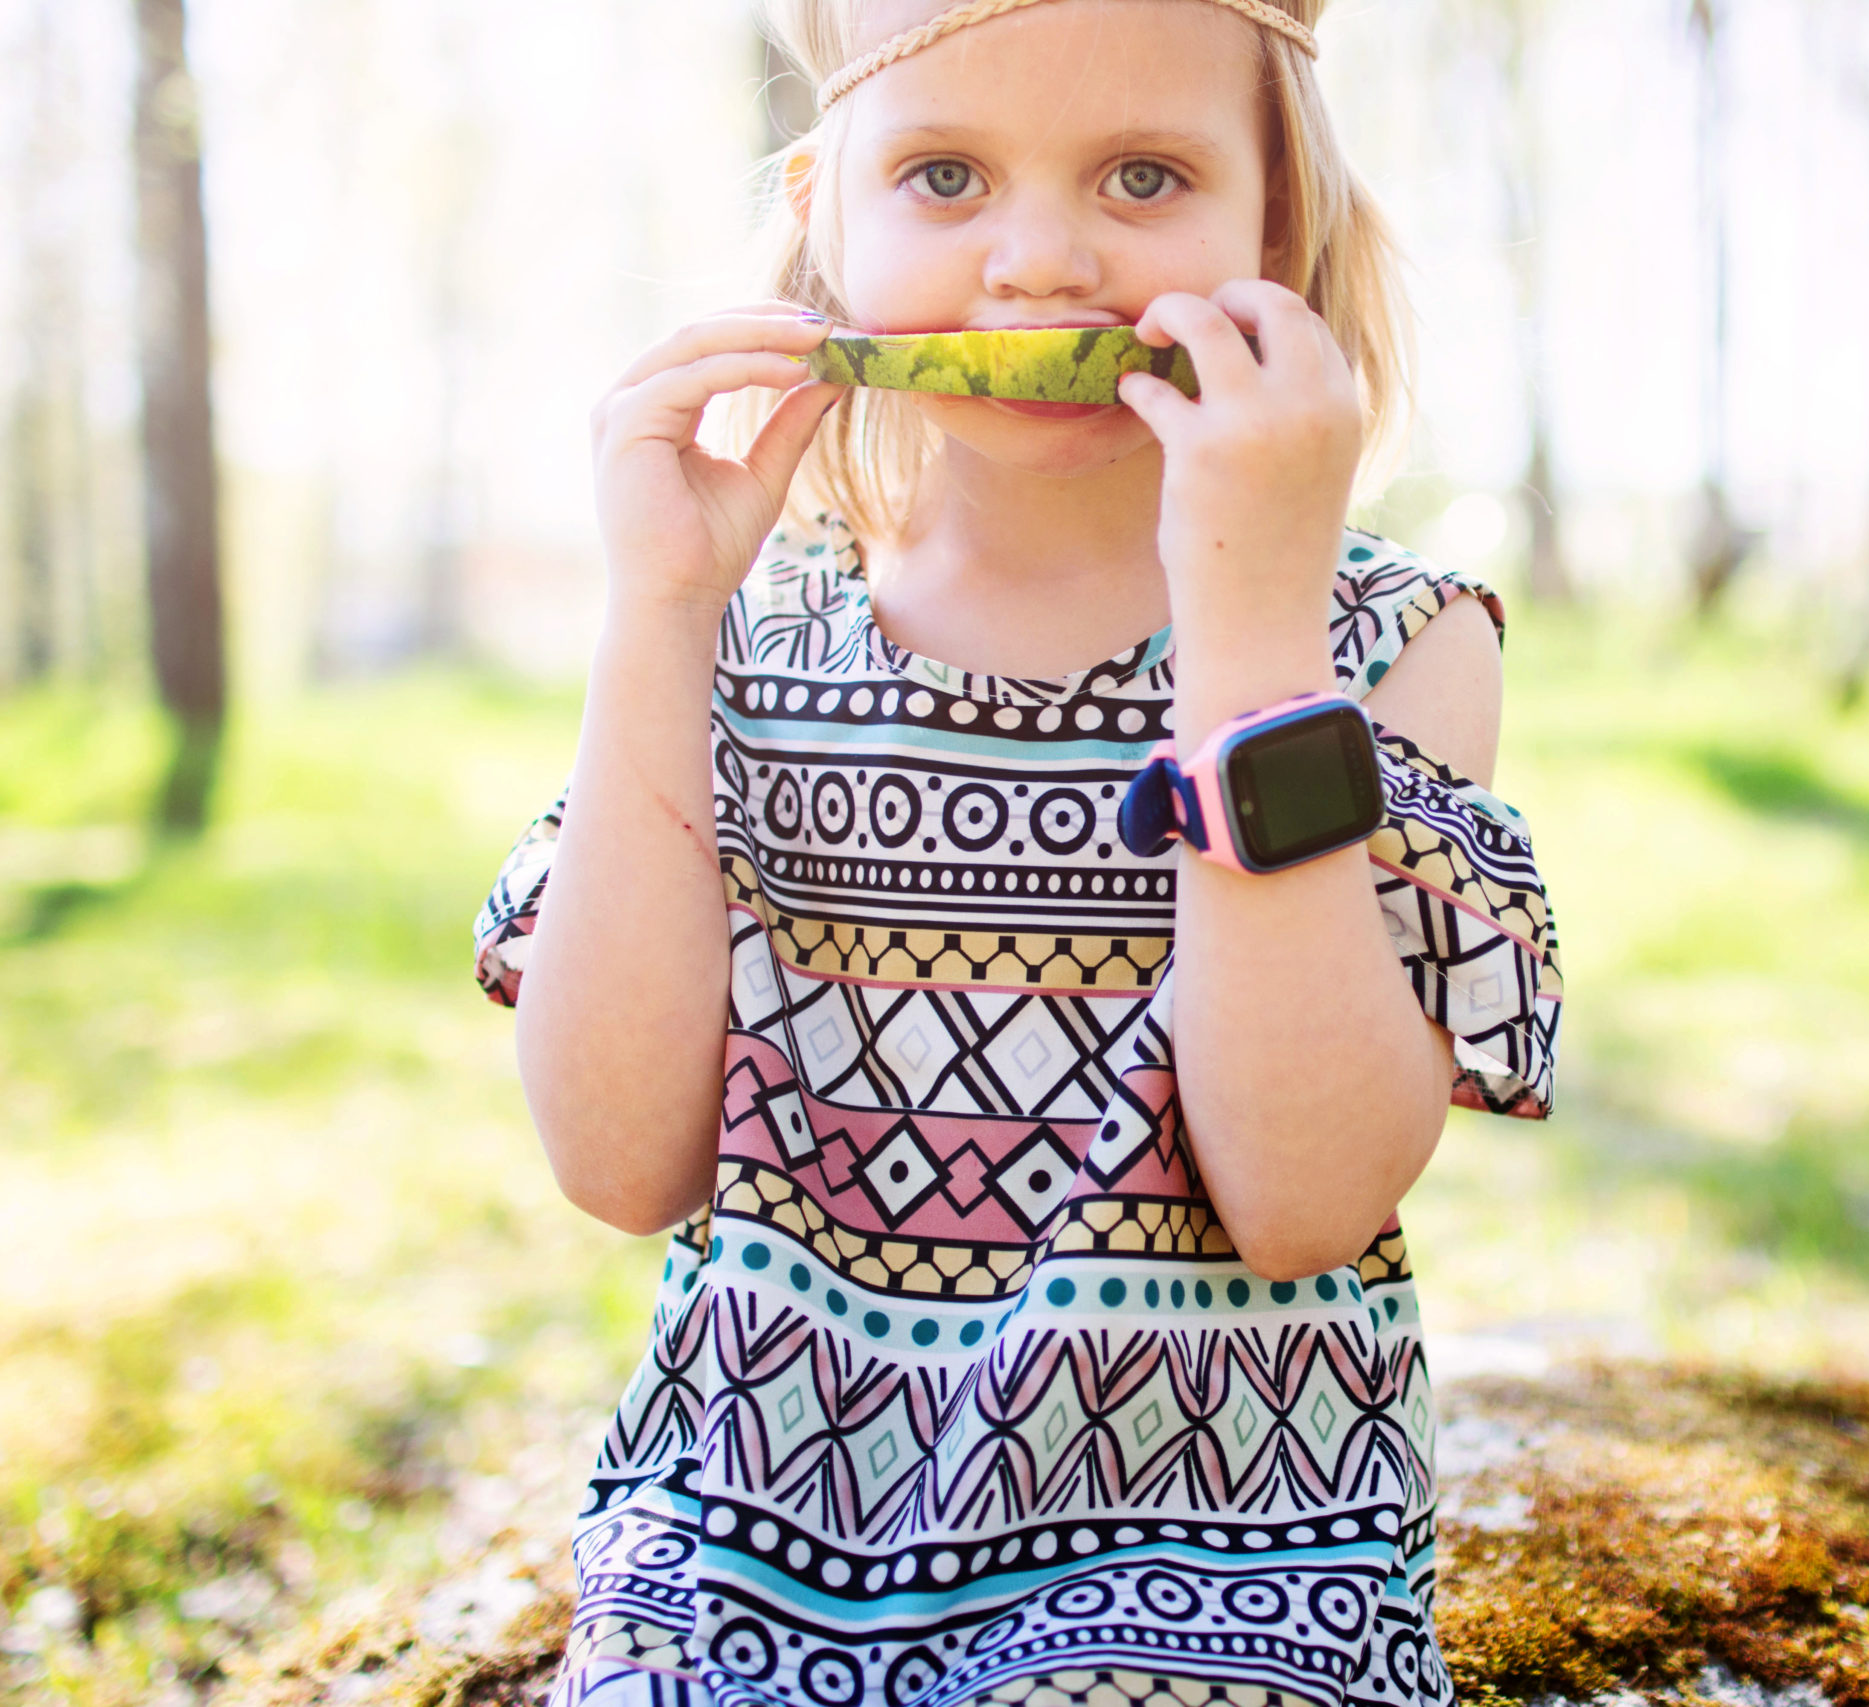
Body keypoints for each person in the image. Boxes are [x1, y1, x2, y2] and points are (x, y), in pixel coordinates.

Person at [471, 2, 1561, 1703]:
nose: (1042, 262)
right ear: (826, 217)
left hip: (1223, 1550)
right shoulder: (748, 632)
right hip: (756, 1520)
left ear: (1273, 224)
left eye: (1144, 174)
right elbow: (621, 1161)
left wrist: (1255, 628)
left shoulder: (1383, 642)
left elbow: (1303, 1199)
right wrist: (661, 616)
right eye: (944, 176)